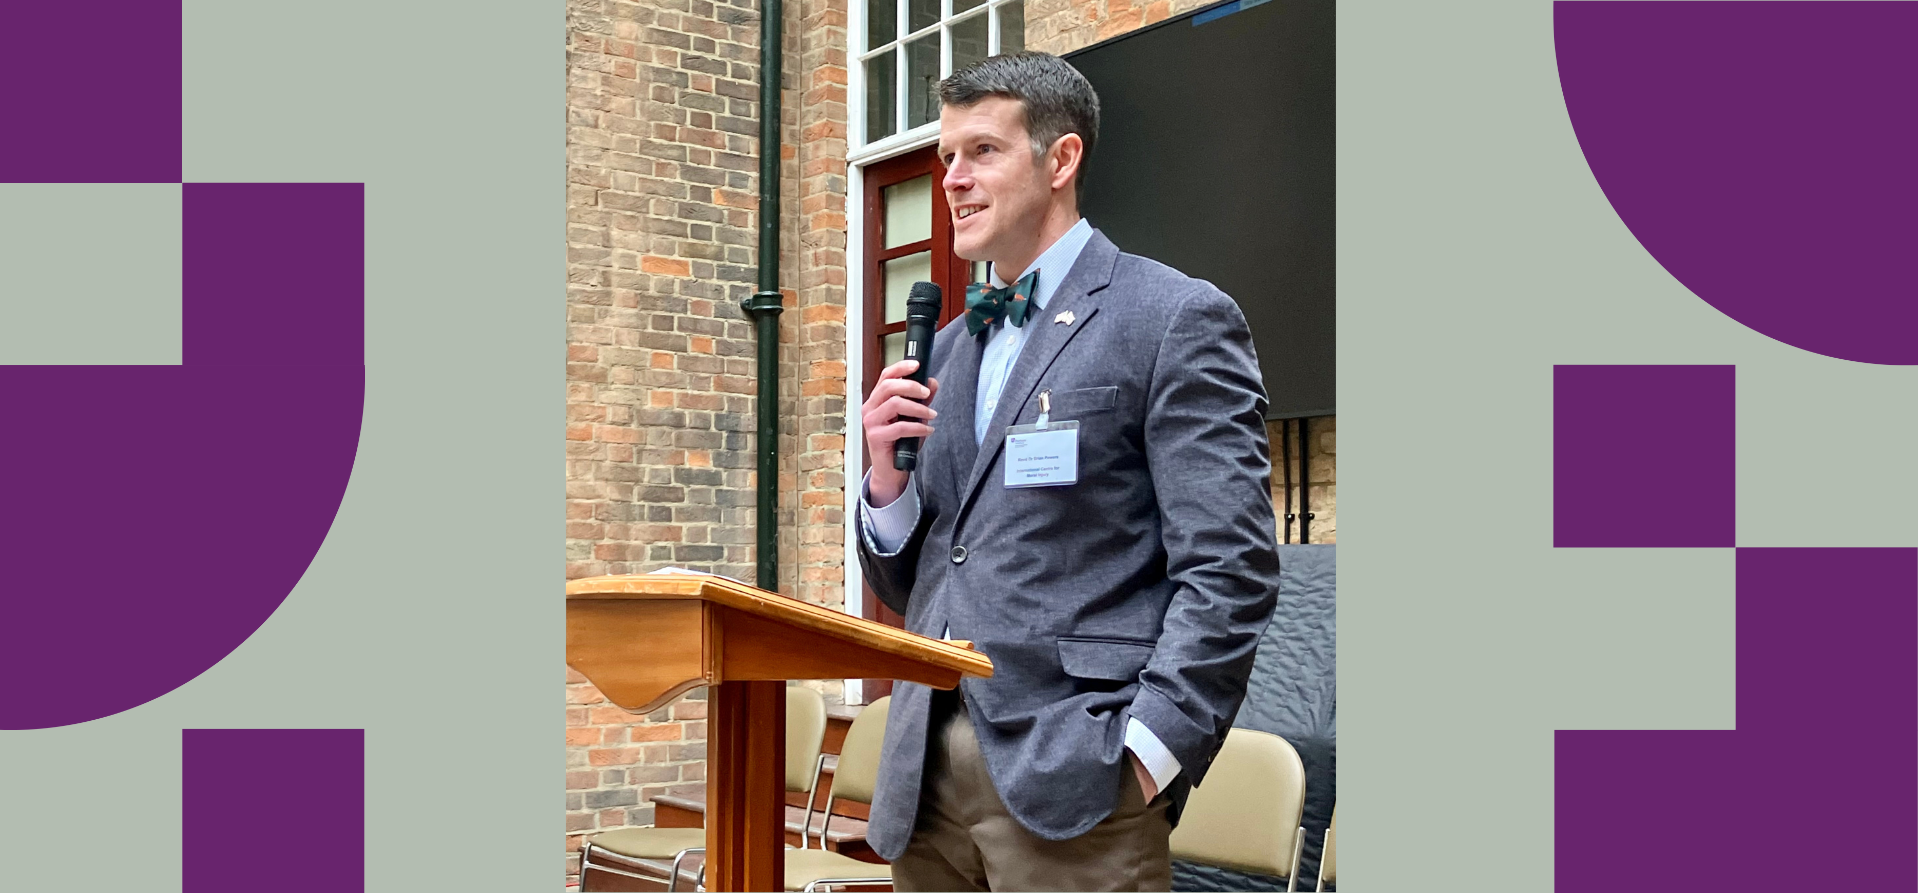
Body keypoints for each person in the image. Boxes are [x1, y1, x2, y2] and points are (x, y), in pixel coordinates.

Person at [855, 51, 1282, 892]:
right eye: (946, 158)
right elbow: (926, 581)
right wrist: (887, 486)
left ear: (1061, 160)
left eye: (982, 151)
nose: (952, 179)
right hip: (922, 787)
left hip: (1078, 787)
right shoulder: (947, 349)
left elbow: (1231, 569)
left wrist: (1147, 754)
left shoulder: (1172, 317)